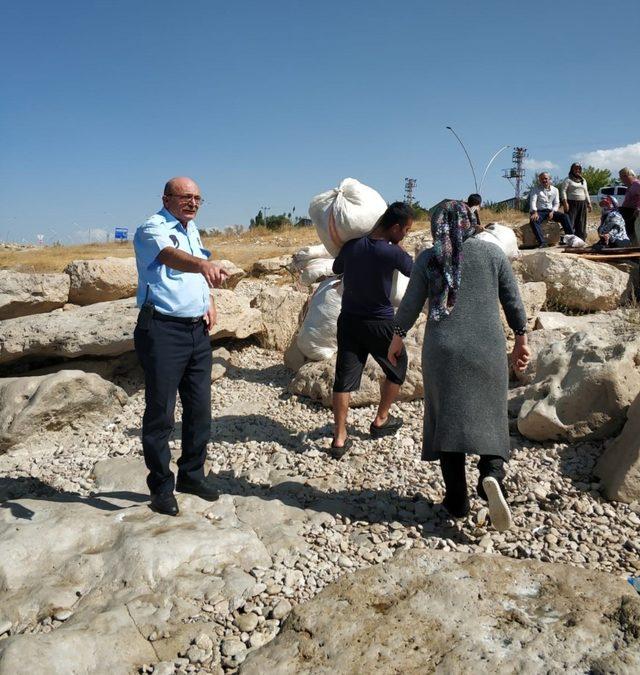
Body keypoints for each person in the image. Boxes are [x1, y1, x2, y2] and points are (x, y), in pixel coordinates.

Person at [388, 200, 530, 531]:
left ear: (437, 224)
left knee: (447, 422)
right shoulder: (493, 254)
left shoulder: (428, 258)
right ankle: (491, 476)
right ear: (471, 221)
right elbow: (512, 300)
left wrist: (397, 338)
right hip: (488, 349)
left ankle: (457, 501)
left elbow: (409, 305)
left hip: (443, 350)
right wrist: (521, 339)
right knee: (492, 415)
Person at [133, 177, 228, 516]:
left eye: (198, 198)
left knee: (200, 407)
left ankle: (191, 475)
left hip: (196, 331)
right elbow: (172, 258)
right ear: (166, 198)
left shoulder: (193, 229)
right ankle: (161, 487)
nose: (192, 203)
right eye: (185, 197)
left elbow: (194, 272)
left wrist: (208, 300)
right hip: (162, 329)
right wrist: (203, 265)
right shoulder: (151, 228)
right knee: (161, 413)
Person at [330, 202, 415, 459]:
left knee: (343, 379)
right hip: (380, 324)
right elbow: (413, 270)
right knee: (398, 366)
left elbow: (336, 269)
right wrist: (399, 248)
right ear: (395, 227)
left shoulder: (352, 246)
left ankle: (339, 437)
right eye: (406, 231)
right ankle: (381, 419)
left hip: (349, 322)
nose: (406, 235)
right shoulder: (392, 253)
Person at [529, 172, 575, 247]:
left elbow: (557, 203)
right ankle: (542, 243)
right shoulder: (535, 189)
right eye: (542, 179)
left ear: (550, 179)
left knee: (565, 217)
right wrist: (534, 212)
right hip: (539, 211)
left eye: (546, 178)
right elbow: (533, 201)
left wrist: (553, 212)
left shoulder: (555, 190)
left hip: (550, 211)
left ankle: (571, 239)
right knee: (533, 220)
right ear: (539, 180)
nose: (544, 180)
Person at [560, 163, 592, 241]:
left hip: (582, 203)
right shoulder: (568, 179)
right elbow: (563, 191)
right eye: (575, 168)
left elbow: (586, 192)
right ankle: (569, 240)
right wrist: (565, 202)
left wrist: (589, 203)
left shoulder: (583, 180)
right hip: (571, 203)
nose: (577, 170)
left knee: (581, 222)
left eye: (579, 169)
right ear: (572, 169)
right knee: (570, 222)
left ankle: (581, 240)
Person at [618, 168, 640, 243]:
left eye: (623, 176)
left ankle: (635, 244)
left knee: (631, 228)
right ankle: (631, 243)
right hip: (628, 210)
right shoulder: (630, 186)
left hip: (633, 211)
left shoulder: (636, 184)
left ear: (629, 175)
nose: (621, 179)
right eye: (621, 177)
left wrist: (638, 208)